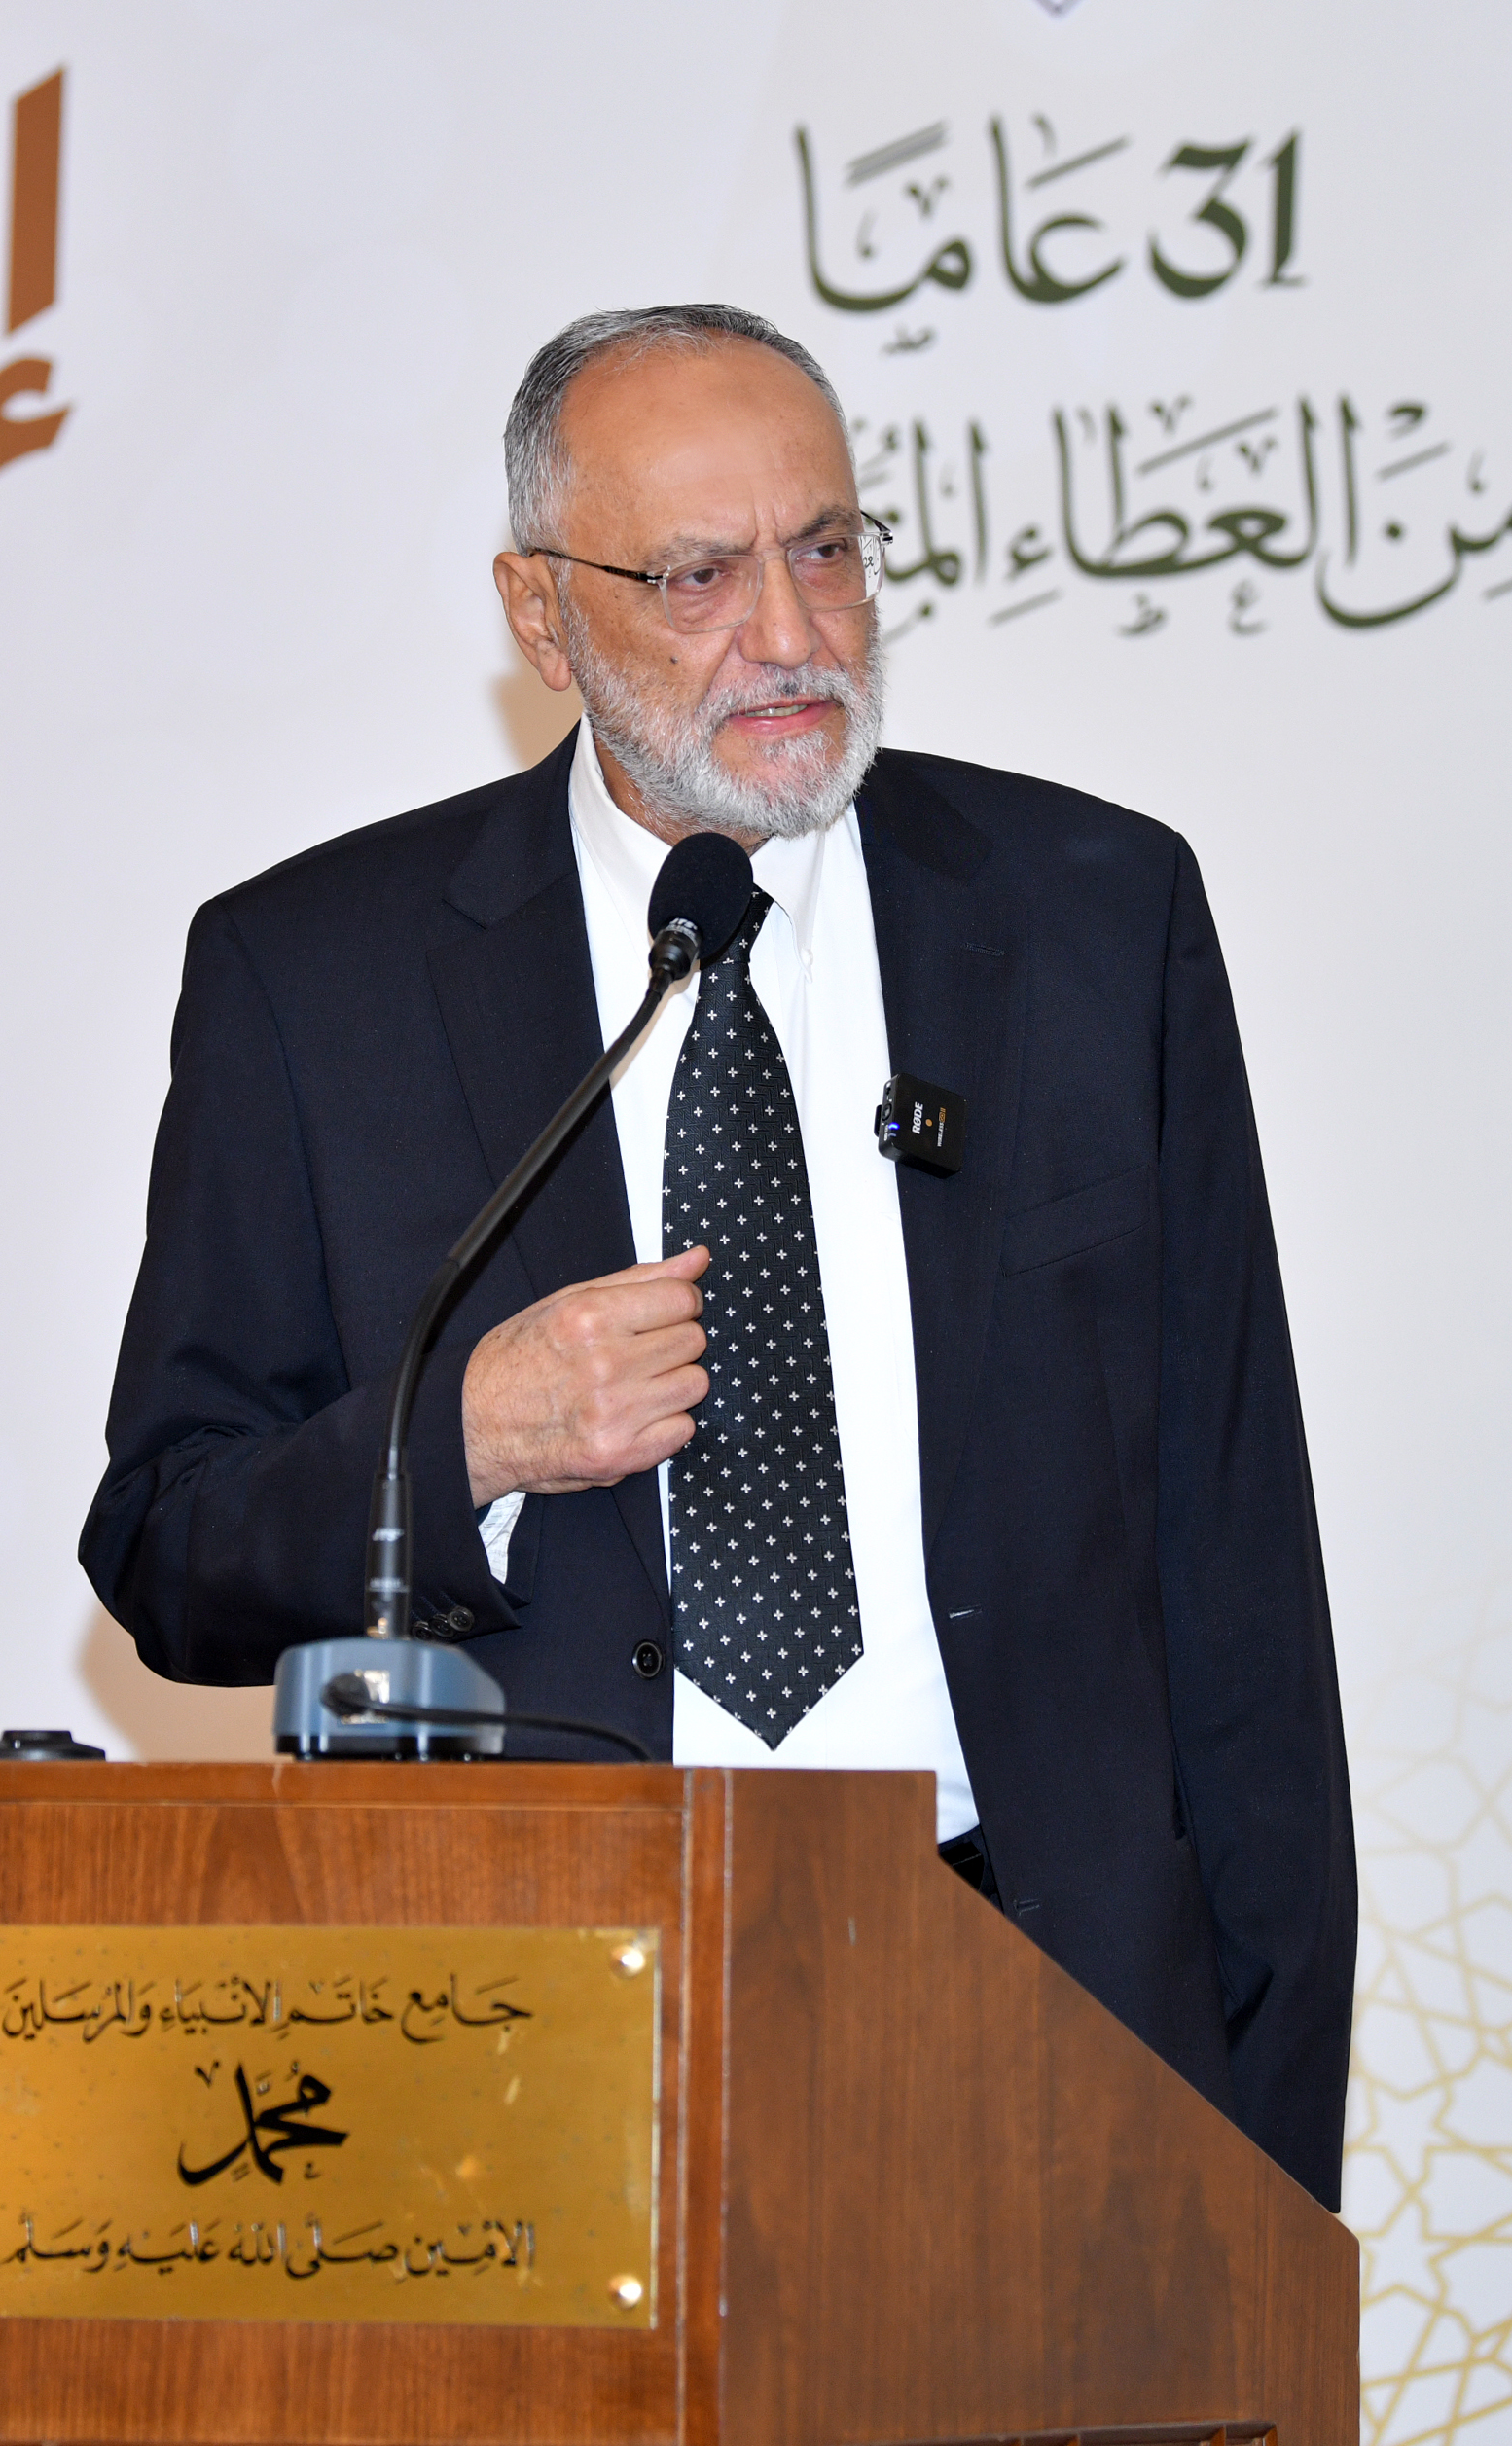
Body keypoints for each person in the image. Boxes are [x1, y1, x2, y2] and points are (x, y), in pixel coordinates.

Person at [81, 305, 1355, 2208]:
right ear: (542, 614)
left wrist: (1268, 2197)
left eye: (825, 548)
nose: (789, 631)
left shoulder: (1095, 918)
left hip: (1042, 2036)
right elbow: (168, 1543)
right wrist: (468, 1437)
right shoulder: (314, 978)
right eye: (696, 576)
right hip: (522, 2049)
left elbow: (1238, 1576)